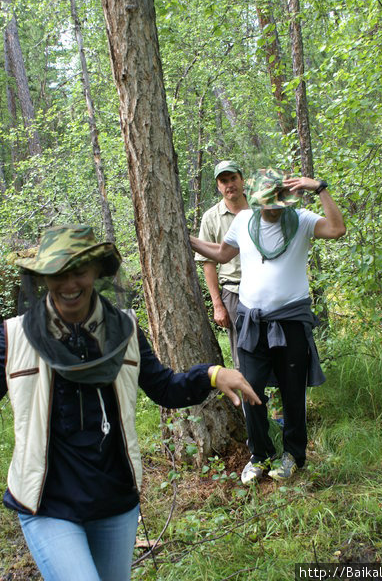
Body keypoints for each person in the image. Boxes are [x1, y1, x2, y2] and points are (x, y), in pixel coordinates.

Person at [0, 224, 260, 581]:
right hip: (47, 502)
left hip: (114, 498)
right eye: (57, 273)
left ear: (97, 272)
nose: (69, 283)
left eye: (79, 270)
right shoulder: (13, 337)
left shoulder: (124, 328)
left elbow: (164, 387)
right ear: (43, 278)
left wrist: (212, 375)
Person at [190, 169, 346, 485]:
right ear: (259, 202)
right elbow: (222, 254)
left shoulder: (301, 220)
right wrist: (184, 236)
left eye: (279, 201)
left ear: (287, 201)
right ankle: (259, 456)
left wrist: (320, 188)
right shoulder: (244, 222)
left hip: (291, 322)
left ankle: (292, 455)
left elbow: (337, 228)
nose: (273, 208)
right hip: (252, 321)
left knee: (292, 392)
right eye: (268, 202)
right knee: (251, 389)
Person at [194, 160, 248, 369]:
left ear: (242, 179)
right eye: (223, 181)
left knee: (274, 347)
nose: (229, 185)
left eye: (233, 178)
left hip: (265, 290)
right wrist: (218, 305)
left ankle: (277, 398)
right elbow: (208, 264)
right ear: (218, 186)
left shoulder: (260, 209)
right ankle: (249, 400)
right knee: (242, 354)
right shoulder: (211, 218)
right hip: (233, 292)